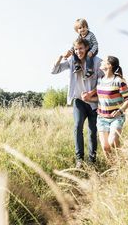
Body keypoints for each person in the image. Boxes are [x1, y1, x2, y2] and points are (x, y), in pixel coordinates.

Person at [52, 37, 102, 168]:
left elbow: (104, 81)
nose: (78, 51)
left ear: (86, 48)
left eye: (81, 48)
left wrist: (91, 93)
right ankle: (79, 159)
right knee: (77, 126)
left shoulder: (97, 62)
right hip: (78, 101)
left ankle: (92, 160)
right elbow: (55, 70)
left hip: (93, 102)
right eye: (76, 49)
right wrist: (60, 57)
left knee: (92, 130)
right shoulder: (72, 61)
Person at [82, 56, 128, 158]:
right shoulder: (100, 80)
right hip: (101, 118)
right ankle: (113, 166)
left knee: (112, 141)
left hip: (116, 118)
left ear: (109, 66)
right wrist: (88, 99)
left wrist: (120, 110)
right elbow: (101, 98)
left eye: (104, 61)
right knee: (105, 147)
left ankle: (121, 157)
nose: (101, 62)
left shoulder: (119, 81)